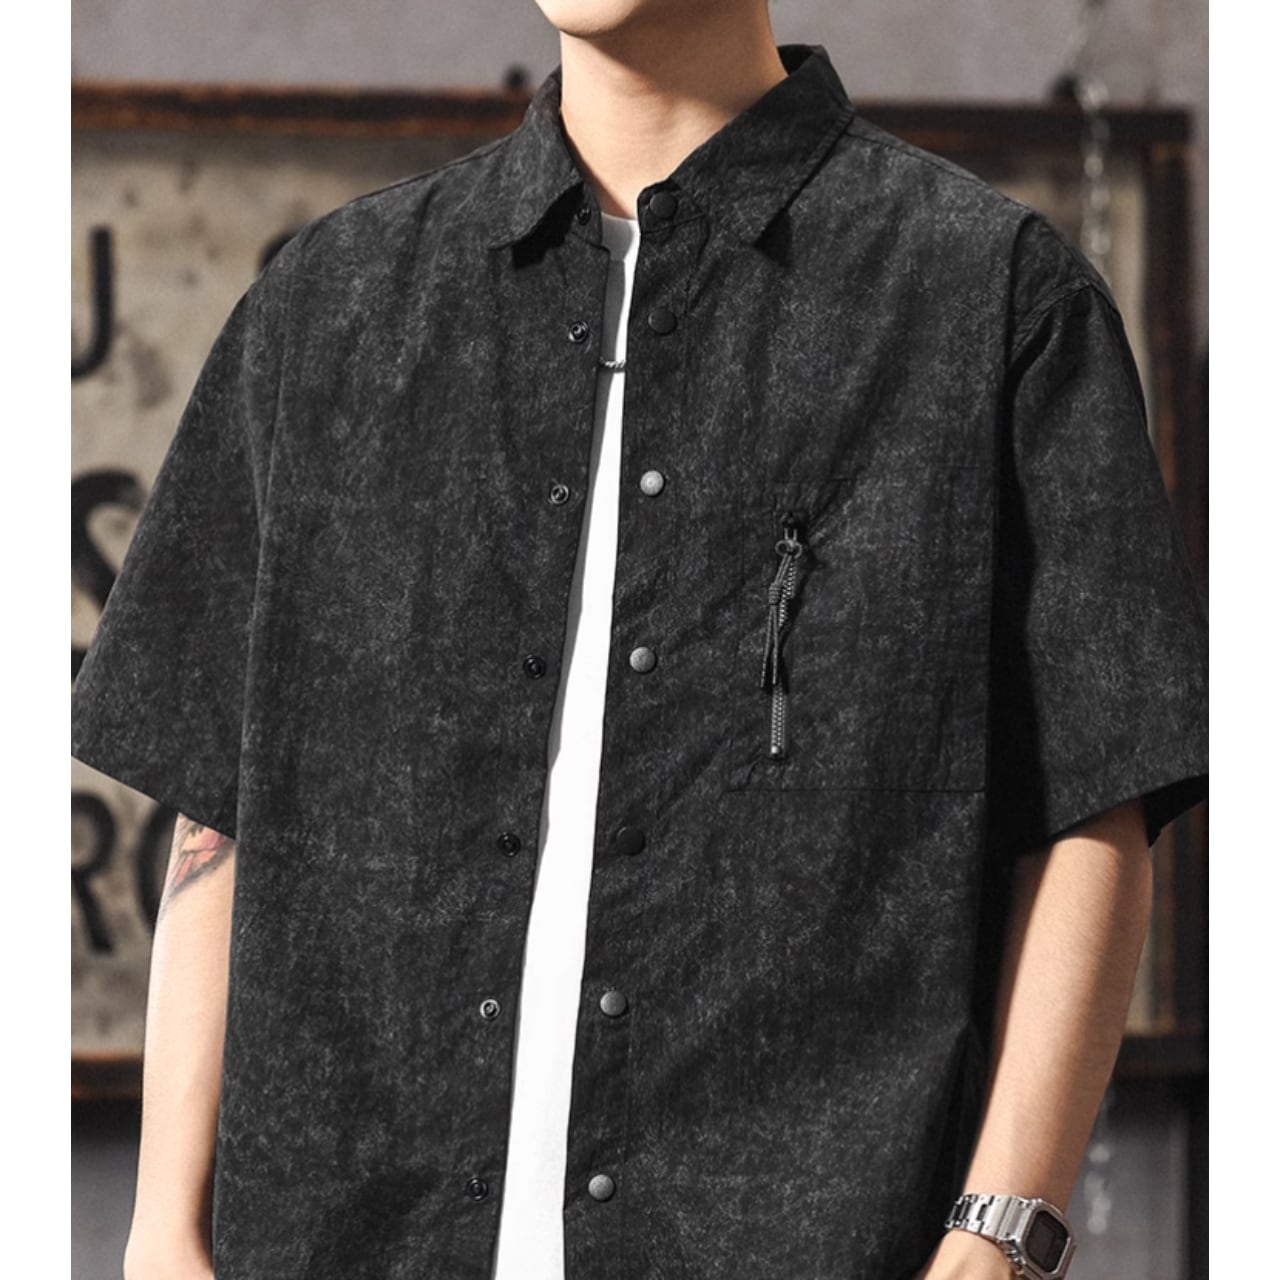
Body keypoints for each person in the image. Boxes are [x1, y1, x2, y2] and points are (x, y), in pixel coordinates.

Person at [72, 4, 1208, 1279]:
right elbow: (222, 808)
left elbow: (1092, 806)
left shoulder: (986, 297)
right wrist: (162, 1227)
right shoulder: (328, 306)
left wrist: (996, 1233)